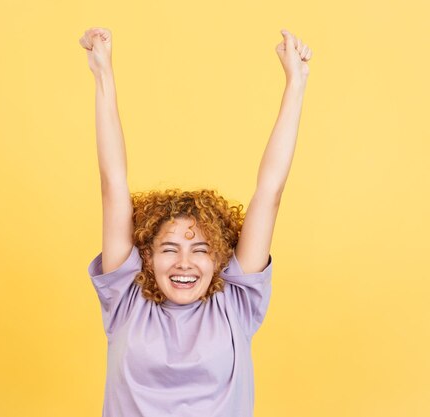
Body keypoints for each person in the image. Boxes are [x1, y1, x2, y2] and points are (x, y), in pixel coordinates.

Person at [78, 27, 312, 416]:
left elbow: (270, 191)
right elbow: (112, 184)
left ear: (219, 256)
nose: (184, 262)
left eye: (200, 250)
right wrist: (103, 72)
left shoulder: (235, 302)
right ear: (146, 256)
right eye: (169, 249)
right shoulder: (124, 298)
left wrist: (296, 83)